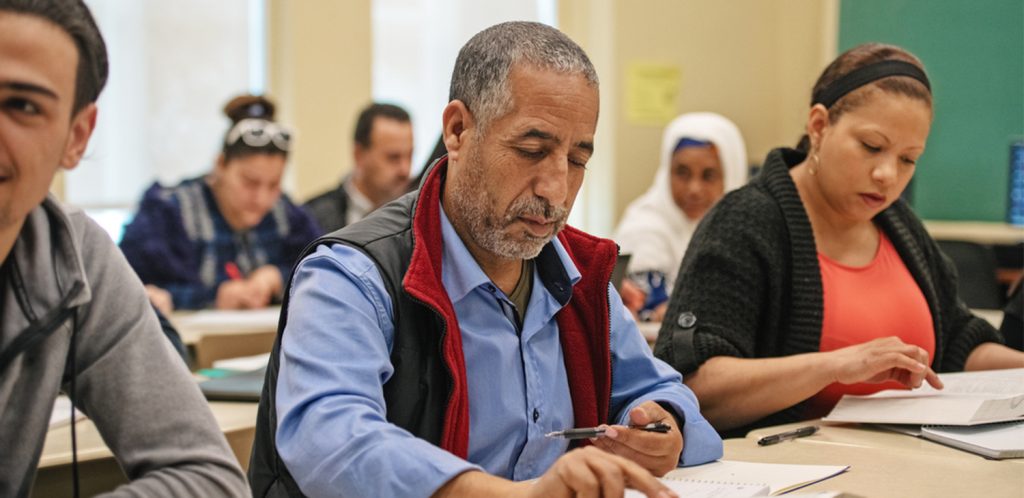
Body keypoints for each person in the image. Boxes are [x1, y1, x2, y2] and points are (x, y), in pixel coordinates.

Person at [250, 21, 721, 498]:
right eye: (531, 151)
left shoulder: (576, 272)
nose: (556, 190)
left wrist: (665, 427)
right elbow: (327, 439)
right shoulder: (353, 275)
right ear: (457, 131)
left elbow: (661, 392)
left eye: (577, 161)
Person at [655, 43, 1024, 435]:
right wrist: (835, 365)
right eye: (871, 147)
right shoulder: (747, 221)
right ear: (819, 126)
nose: (887, 174)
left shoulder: (899, 225)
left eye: (908, 159)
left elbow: (959, 341)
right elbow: (692, 388)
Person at [0, 0, 247, 495]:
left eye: (22, 105)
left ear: (77, 137)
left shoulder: (71, 253)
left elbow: (211, 482)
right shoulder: (166, 208)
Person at [119, 94, 320, 311]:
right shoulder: (167, 213)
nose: (262, 198)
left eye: (274, 185)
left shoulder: (287, 215)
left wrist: (278, 277)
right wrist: (209, 298)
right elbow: (125, 287)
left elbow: (324, 268)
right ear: (220, 165)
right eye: (249, 183)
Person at [613, 112, 747, 322]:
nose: (694, 189)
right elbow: (653, 312)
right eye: (682, 173)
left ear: (730, 178)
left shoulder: (743, 229)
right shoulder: (644, 226)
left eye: (708, 175)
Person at [304, 102, 414, 233]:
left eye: (410, 155)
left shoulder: (418, 216)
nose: (405, 170)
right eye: (393, 157)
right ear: (359, 155)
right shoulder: (310, 218)